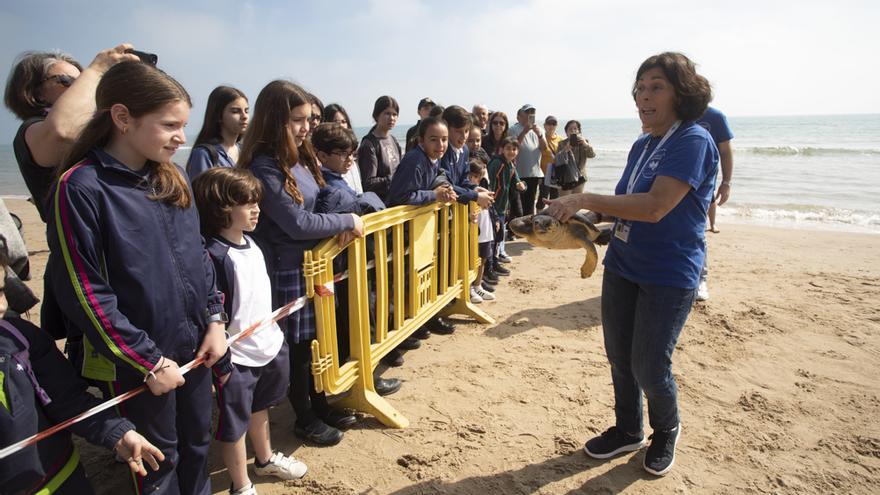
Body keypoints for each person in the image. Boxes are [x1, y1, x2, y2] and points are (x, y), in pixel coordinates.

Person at [45, 61, 229, 494]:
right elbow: (84, 292)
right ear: (123, 118)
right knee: (159, 463)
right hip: (139, 365)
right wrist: (147, 361)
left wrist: (216, 320)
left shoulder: (175, 176)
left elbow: (200, 255)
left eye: (183, 125)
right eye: (169, 125)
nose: (182, 138)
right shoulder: (82, 188)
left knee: (199, 444)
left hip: (198, 348)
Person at [543, 52, 718, 477]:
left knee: (650, 365)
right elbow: (625, 204)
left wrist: (583, 198)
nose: (643, 96)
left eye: (656, 86)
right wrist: (586, 218)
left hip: (668, 271)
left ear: (682, 93)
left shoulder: (693, 140)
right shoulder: (643, 144)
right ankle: (627, 429)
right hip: (623, 263)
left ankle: (666, 430)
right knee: (620, 356)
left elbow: (656, 207)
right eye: (640, 88)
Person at [239, 80, 364, 447]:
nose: (307, 126)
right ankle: (304, 416)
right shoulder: (266, 167)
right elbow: (295, 223)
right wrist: (345, 222)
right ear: (275, 120)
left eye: (309, 118)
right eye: (298, 119)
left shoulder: (299, 156)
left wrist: (346, 210)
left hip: (313, 264)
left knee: (316, 342)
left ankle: (321, 404)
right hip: (288, 270)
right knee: (298, 348)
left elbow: (324, 196)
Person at [0, 240, 165, 495]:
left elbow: (68, 398)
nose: (3, 307)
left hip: (62, 478)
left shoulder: (21, 339)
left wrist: (117, 433)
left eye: (1, 291)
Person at [192, 168, 307, 495]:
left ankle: (265, 458)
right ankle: (241, 485)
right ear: (221, 207)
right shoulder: (214, 255)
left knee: (262, 407)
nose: (256, 209)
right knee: (234, 426)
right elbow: (213, 313)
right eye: (246, 203)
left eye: (256, 201)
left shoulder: (255, 245)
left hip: (266, 346)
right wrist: (224, 363)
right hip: (237, 358)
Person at [311, 122, 410, 384]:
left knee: (359, 319)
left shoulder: (332, 181)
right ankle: (365, 378)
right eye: (343, 154)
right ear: (322, 156)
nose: (349, 159)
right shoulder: (329, 189)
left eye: (351, 154)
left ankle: (366, 373)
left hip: (354, 265)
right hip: (345, 269)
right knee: (355, 322)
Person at [3, 45, 138, 221]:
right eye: (67, 81)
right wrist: (97, 69)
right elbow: (62, 132)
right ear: (37, 92)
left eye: (81, 81)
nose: (80, 88)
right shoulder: (32, 129)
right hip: (80, 236)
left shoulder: (92, 129)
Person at [695, 106, 734, 301]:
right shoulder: (672, 110)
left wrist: (726, 182)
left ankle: (701, 279)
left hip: (702, 184)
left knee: (698, 230)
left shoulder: (715, 117)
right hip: (673, 180)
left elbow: (725, 150)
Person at [185, 86, 249, 180]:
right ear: (218, 115)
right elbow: (199, 192)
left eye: (246, 111)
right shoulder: (204, 154)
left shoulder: (244, 151)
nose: (244, 116)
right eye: (235, 111)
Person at [440, 105, 494, 209]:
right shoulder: (441, 151)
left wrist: (475, 188)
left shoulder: (464, 150)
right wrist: (475, 196)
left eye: (466, 131)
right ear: (446, 128)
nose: (464, 136)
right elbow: (445, 184)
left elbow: (463, 180)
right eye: (458, 131)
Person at [486, 136, 526, 271]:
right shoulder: (497, 163)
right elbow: (489, 183)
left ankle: (497, 259)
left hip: (503, 205)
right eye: (508, 148)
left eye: (514, 149)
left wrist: (521, 185)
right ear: (501, 149)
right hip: (493, 204)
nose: (511, 151)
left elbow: (517, 181)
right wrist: (490, 202)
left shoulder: (511, 164)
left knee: (500, 233)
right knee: (493, 235)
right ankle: (491, 264)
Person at [358, 96, 402, 199]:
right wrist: (394, 179)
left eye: (394, 114)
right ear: (376, 115)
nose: (391, 118)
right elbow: (369, 183)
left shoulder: (394, 140)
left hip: (397, 198)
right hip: (381, 204)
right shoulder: (369, 144)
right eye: (387, 113)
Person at [508, 104, 548, 217]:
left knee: (530, 205)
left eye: (532, 112)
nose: (530, 114)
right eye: (527, 112)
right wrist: (525, 131)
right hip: (518, 173)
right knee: (517, 205)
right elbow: (513, 147)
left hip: (534, 173)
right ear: (519, 117)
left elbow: (544, 148)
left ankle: (528, 229)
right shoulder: (513, 129)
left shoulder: (539, 129)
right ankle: (516, 229)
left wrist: (539, 135)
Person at [466, 159, 496, 304]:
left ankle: (478, 284)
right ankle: (469, 287)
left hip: (485, 227)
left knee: (483, 258)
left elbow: (491, 206)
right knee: (470, 259)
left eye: (478, 176)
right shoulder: (467, 192)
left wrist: (495, 220)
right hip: (472, 230)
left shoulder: (482, 188)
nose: (474, 179)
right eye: (472, 175)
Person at [322, 103, 363, 194]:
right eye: (336, 122)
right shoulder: (329, 160)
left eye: (344, 122)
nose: (341, 126)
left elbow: (358, 190)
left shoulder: (351, 159)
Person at [553, 120, 596, 196]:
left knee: (576, 202)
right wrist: (565, 149)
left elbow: (592, 155)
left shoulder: (584, 142)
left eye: (575, 129)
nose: (573, 131)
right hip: (566, 178)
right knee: (565, 202)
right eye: (570, 129)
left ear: (579, 131)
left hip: (580, 177)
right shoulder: (562, 144)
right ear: (566, 132)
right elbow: (557, 160)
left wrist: (585, 145)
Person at [538, 115, 564, 206]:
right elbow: (536, 158)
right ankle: (538, 219)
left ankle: (551, 219)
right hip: (544, 175)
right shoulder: (540, 138)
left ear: (556, 126)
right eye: (549, 124)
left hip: (556, 174)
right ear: (544, 125)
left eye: (554, 124)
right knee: (542, 199)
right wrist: (538, 176)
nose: (551, 126)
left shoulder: (560, 139)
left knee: (555, 200)